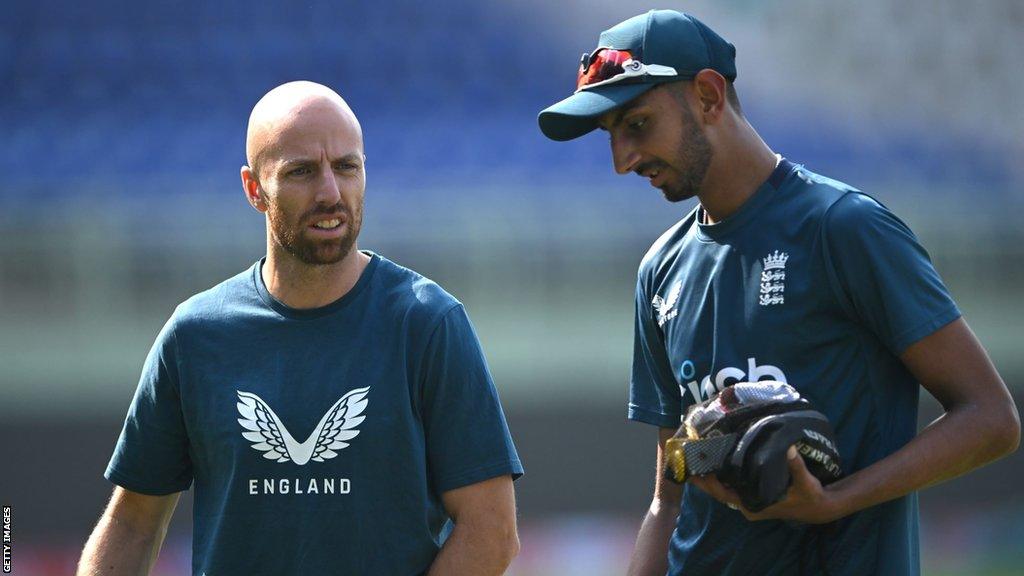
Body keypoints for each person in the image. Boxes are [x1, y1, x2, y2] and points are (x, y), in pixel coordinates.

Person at [538, 10, 1019, 576]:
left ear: (709, 96)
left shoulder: (843, 228)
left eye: (637, 124)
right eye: (611, 136)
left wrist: (837, 500)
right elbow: (671, 493)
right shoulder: (659, 270)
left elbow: (991, 418)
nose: (622, 160)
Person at [78, 81, 523, 576]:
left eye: (347, 167)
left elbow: (491, 532)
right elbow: (133, 524)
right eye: (302, 172)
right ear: (254, 190)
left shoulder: (427, 323)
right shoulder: (195, 336)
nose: (331, 192)